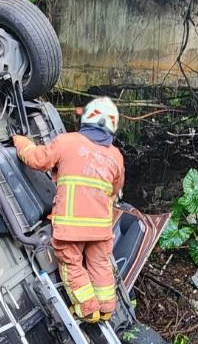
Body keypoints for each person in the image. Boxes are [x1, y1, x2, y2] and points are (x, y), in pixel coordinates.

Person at [13, 97, 124, 322]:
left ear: (86, 120)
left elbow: (37, 159)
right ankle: (106, 308)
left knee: (71, 264)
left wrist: (20, 142)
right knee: (100, 263)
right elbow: (115, 190)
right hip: (101, 228)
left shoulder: (67, 142)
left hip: (71, 228)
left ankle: (88, 310)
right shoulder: (116, 156)